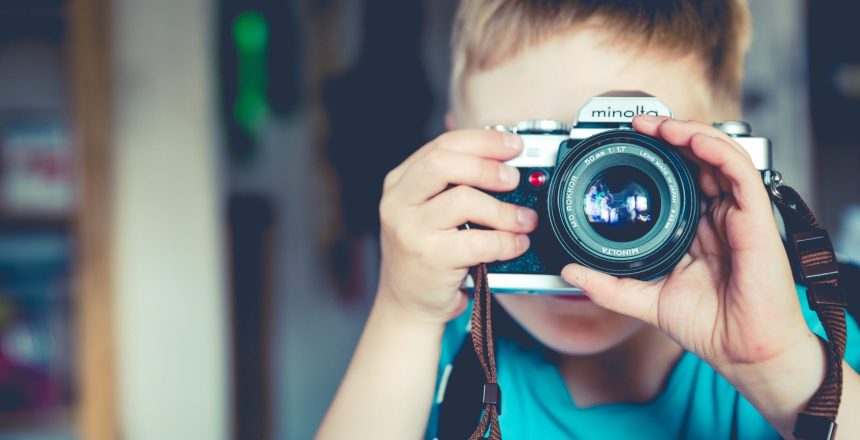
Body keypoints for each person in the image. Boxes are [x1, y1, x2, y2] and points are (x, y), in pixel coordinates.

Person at [316, 1, 860, 438]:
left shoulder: (795, 339)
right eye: (546, 168)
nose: (579, 228)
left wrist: (779, 370)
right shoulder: (445, 346)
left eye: (633, 164)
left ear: (719, 156)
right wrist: (404, 312)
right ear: (456, 153)